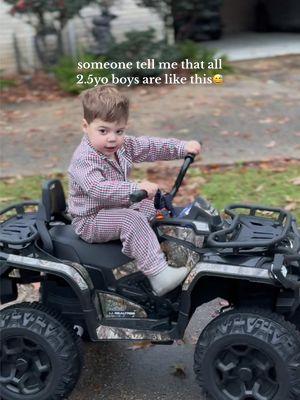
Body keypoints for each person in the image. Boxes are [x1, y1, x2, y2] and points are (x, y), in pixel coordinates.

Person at [68, 85, 201, 296]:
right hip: (91, 219)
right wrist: (134, 187)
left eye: (119, 131)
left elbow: (149, 146)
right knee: (131, 220)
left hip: (114, 207)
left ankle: (155, 252)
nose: (112, 138)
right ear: (86, 126)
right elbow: (98, 189)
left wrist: (181, 147)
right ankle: (159, 276)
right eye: (103, 131)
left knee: (152, 207)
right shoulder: (84, 159)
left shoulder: (121, 147)